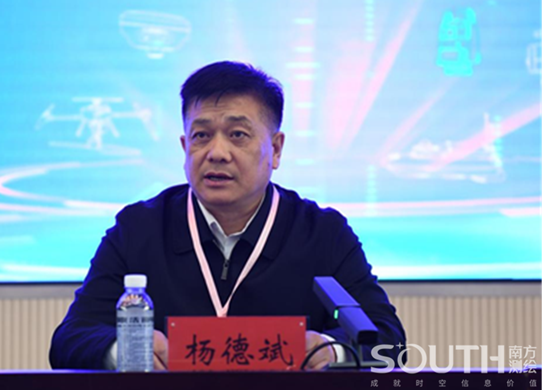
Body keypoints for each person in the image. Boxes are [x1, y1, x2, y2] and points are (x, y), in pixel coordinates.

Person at [49, 61, 406, 371]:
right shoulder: (139, 228)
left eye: (238, 135)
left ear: (276, 149)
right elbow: (71, 338)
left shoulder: (322, 232)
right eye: (201, 136)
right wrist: (126, 350)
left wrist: (333, 350)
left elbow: (388, 339)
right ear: (185, 147)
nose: (217, 152)